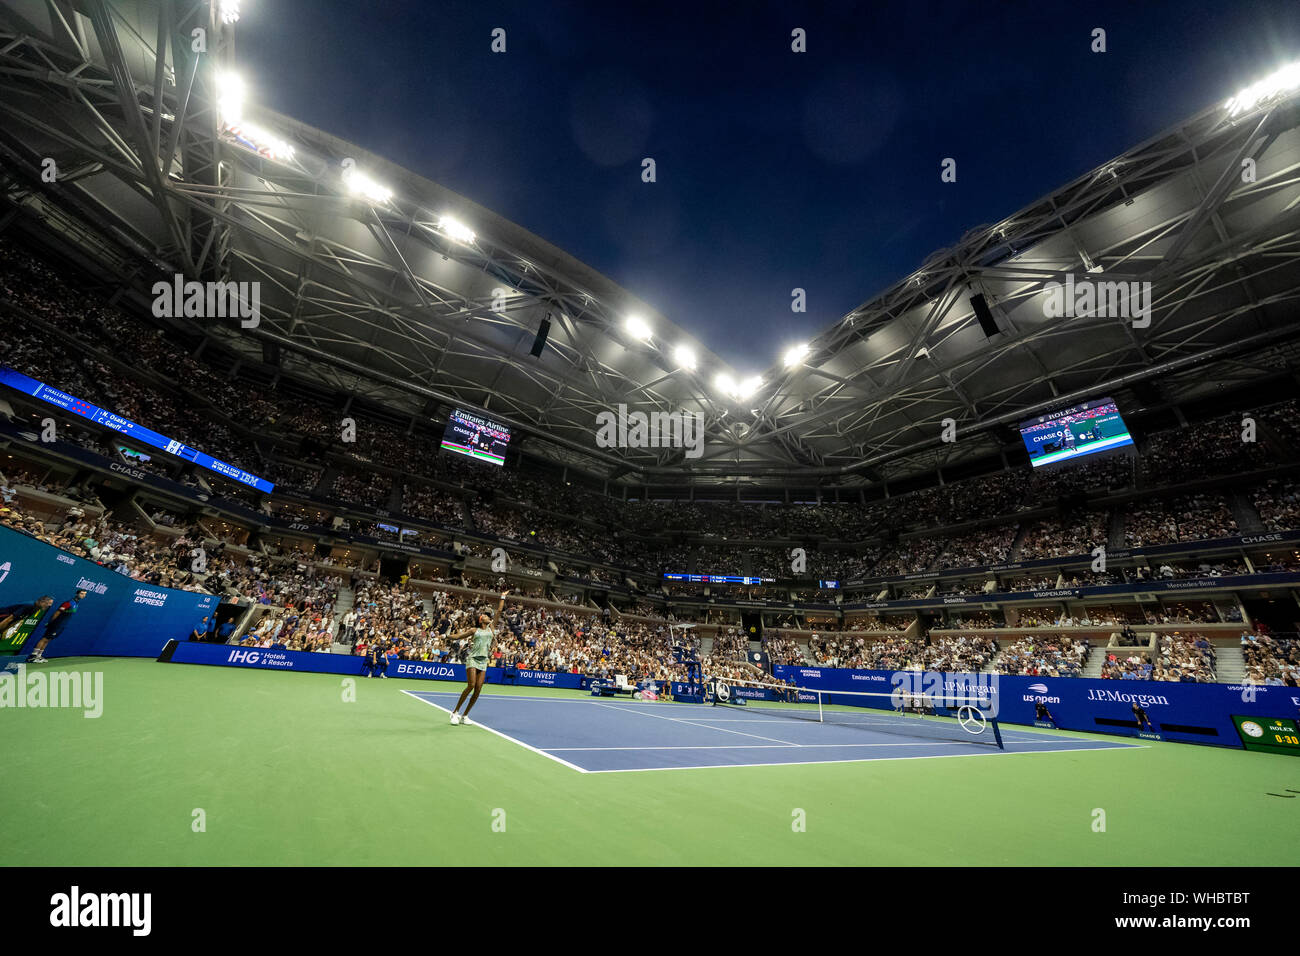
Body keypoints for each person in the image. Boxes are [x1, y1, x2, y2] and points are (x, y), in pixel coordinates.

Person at [447, 590, 509, 726]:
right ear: (481, 620)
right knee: (471, 685)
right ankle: (455, 712)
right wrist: (447, 636)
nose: (488, 617)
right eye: (485, 616)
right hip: (473, 659)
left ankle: (465, 715)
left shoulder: (491, 628)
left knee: (478, 689)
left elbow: (499, 610)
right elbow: (459, 636)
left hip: (483, 661)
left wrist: (503, 596)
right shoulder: (474, 630)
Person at [26, 589, 87, 663]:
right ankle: (32, 656)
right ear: (77, 594)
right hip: (56, 624)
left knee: (48, 640)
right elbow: (57, 613)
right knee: (44, 639)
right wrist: (50, 622)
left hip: (61, 625)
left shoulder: (76, 603)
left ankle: (39, 656)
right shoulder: (68, 603)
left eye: (84, 594)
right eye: (81, 593)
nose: (83, 595)